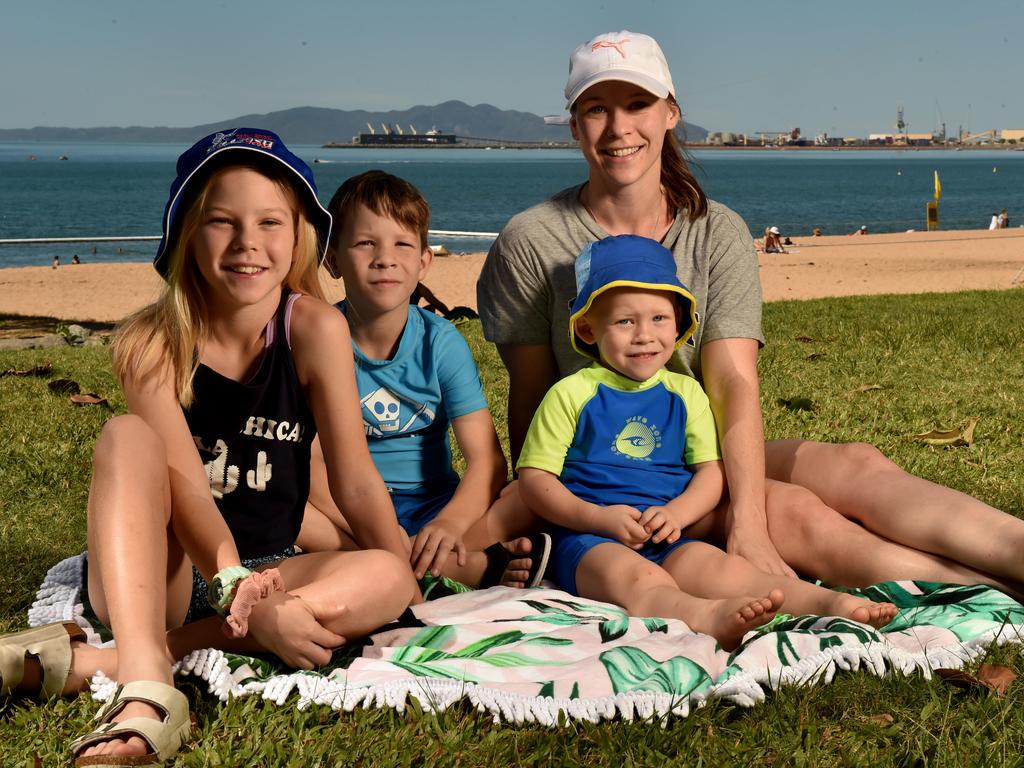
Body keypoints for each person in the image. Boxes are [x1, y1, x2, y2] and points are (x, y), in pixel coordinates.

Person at [477, 30, 1024, 603]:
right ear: (573, 124)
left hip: (700, 446)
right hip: (615, 473)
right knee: (794, 511)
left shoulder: (717, 230)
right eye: (596, 109)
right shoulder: (532, 239)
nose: (618, 128)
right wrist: (553, 515)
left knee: (856, 464)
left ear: (670, 114)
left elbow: (733, 382)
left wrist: (746, 522)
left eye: (637, 104)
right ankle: (988, 591)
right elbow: (532, 397)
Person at [0, 129, 416, 765]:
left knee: (385, 575)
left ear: (299, 233)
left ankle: (99, 661)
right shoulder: (150, 342)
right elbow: (188, 488)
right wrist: (229, 582)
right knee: (126, 435)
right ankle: (146, 690)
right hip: (162, 573)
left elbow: (355, 478)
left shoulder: (316, 329)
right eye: (222, 222)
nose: (249, 243)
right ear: (187, 234)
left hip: (271, 565)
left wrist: (405, 580)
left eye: (270, 221)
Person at [517, 236, 897, 649]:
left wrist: (678, 515)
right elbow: (535, 480)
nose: (645, 335)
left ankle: (828, 602)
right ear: (589, 329)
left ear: (679, 323)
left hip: (668, 531)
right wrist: (597, 519)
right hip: (586, 538)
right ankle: (708, 617)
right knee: (640, 582)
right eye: (625, 322)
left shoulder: (685, 392)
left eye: (659, 319)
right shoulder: (571, 393)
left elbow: (710, 473)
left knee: (724, 570)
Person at [301, 170, 549, 588]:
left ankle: (408, 562)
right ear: (332, 259)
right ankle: (463, 568)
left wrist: (450, 523)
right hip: (347, 510)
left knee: (528, 493)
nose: (385, 258)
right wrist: (372, 529)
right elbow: (309, 464)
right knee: (287, 507)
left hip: (434, 503)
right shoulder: (315, 339)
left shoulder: (441, 341)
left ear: (423, 261)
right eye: (365, 243)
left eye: (402, 244)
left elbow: (487, 462)